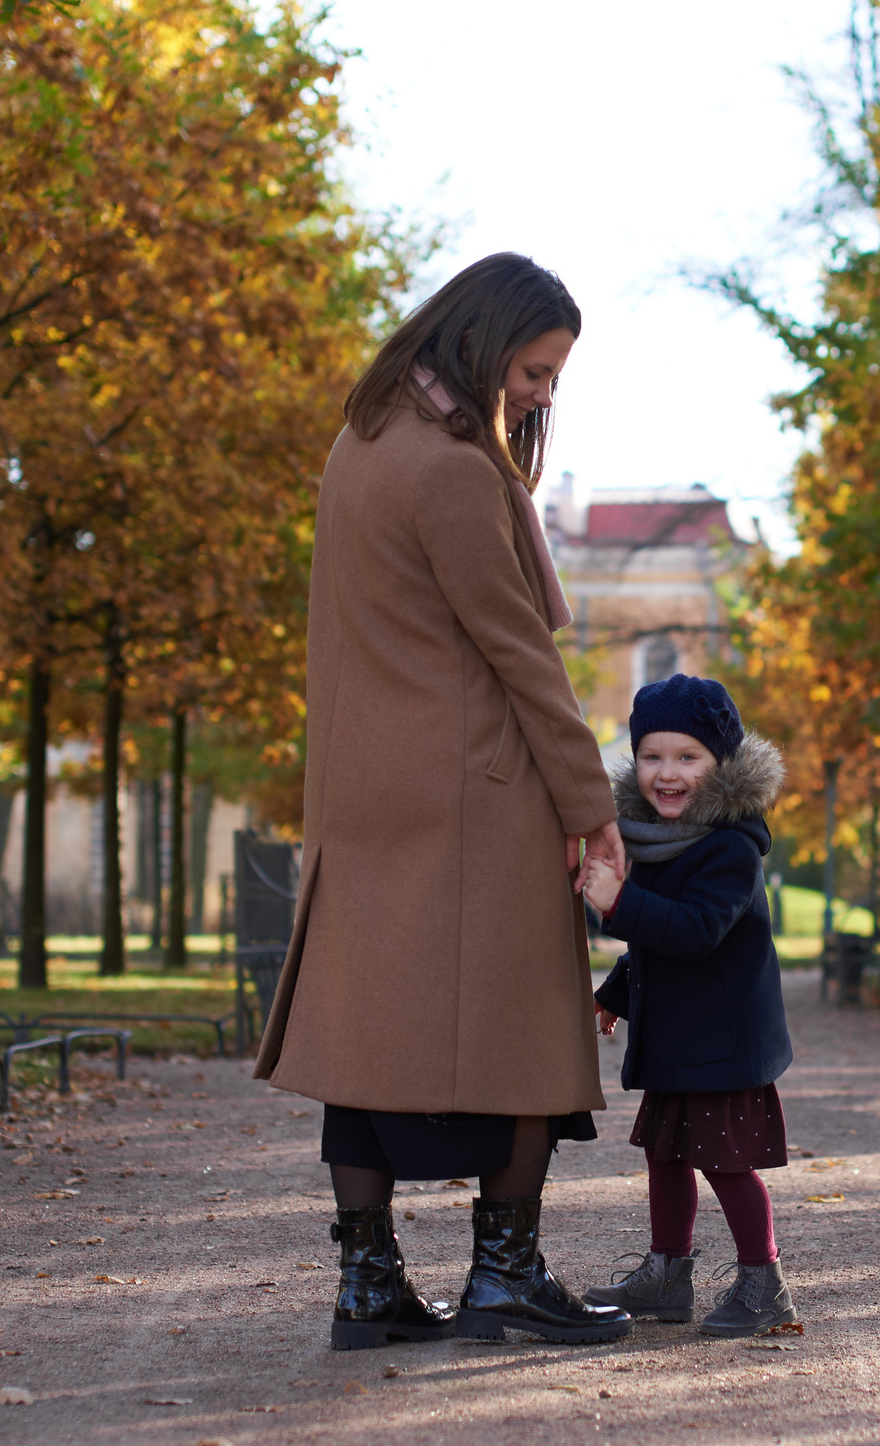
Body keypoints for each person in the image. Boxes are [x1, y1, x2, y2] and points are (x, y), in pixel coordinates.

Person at [253, 253, 632, 1351]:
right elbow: (519, 654)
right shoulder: (455, 470)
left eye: (554, 376)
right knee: (528, 1030)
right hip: (476, 789)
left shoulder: (362, 441)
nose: (541, 393)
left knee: (366, 1043)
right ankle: (505, 1274)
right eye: (534, 367)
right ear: (483, 339)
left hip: (370, 789)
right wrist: (587, 803)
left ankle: (366, 1284)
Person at [578, 675, 798, 1337]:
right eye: (652, 756)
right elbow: (654, 945)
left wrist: (619, 903)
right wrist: (614, 995)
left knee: (725, 1160)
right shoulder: (650, 839)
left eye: (687, 757)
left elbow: (696, 929)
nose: (666, 773)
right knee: (665, 1155)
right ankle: (667, 1275)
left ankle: (765, 1284)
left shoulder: (730, 848)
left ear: (720, 765)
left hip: (721, 1043)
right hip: (679, 1039)